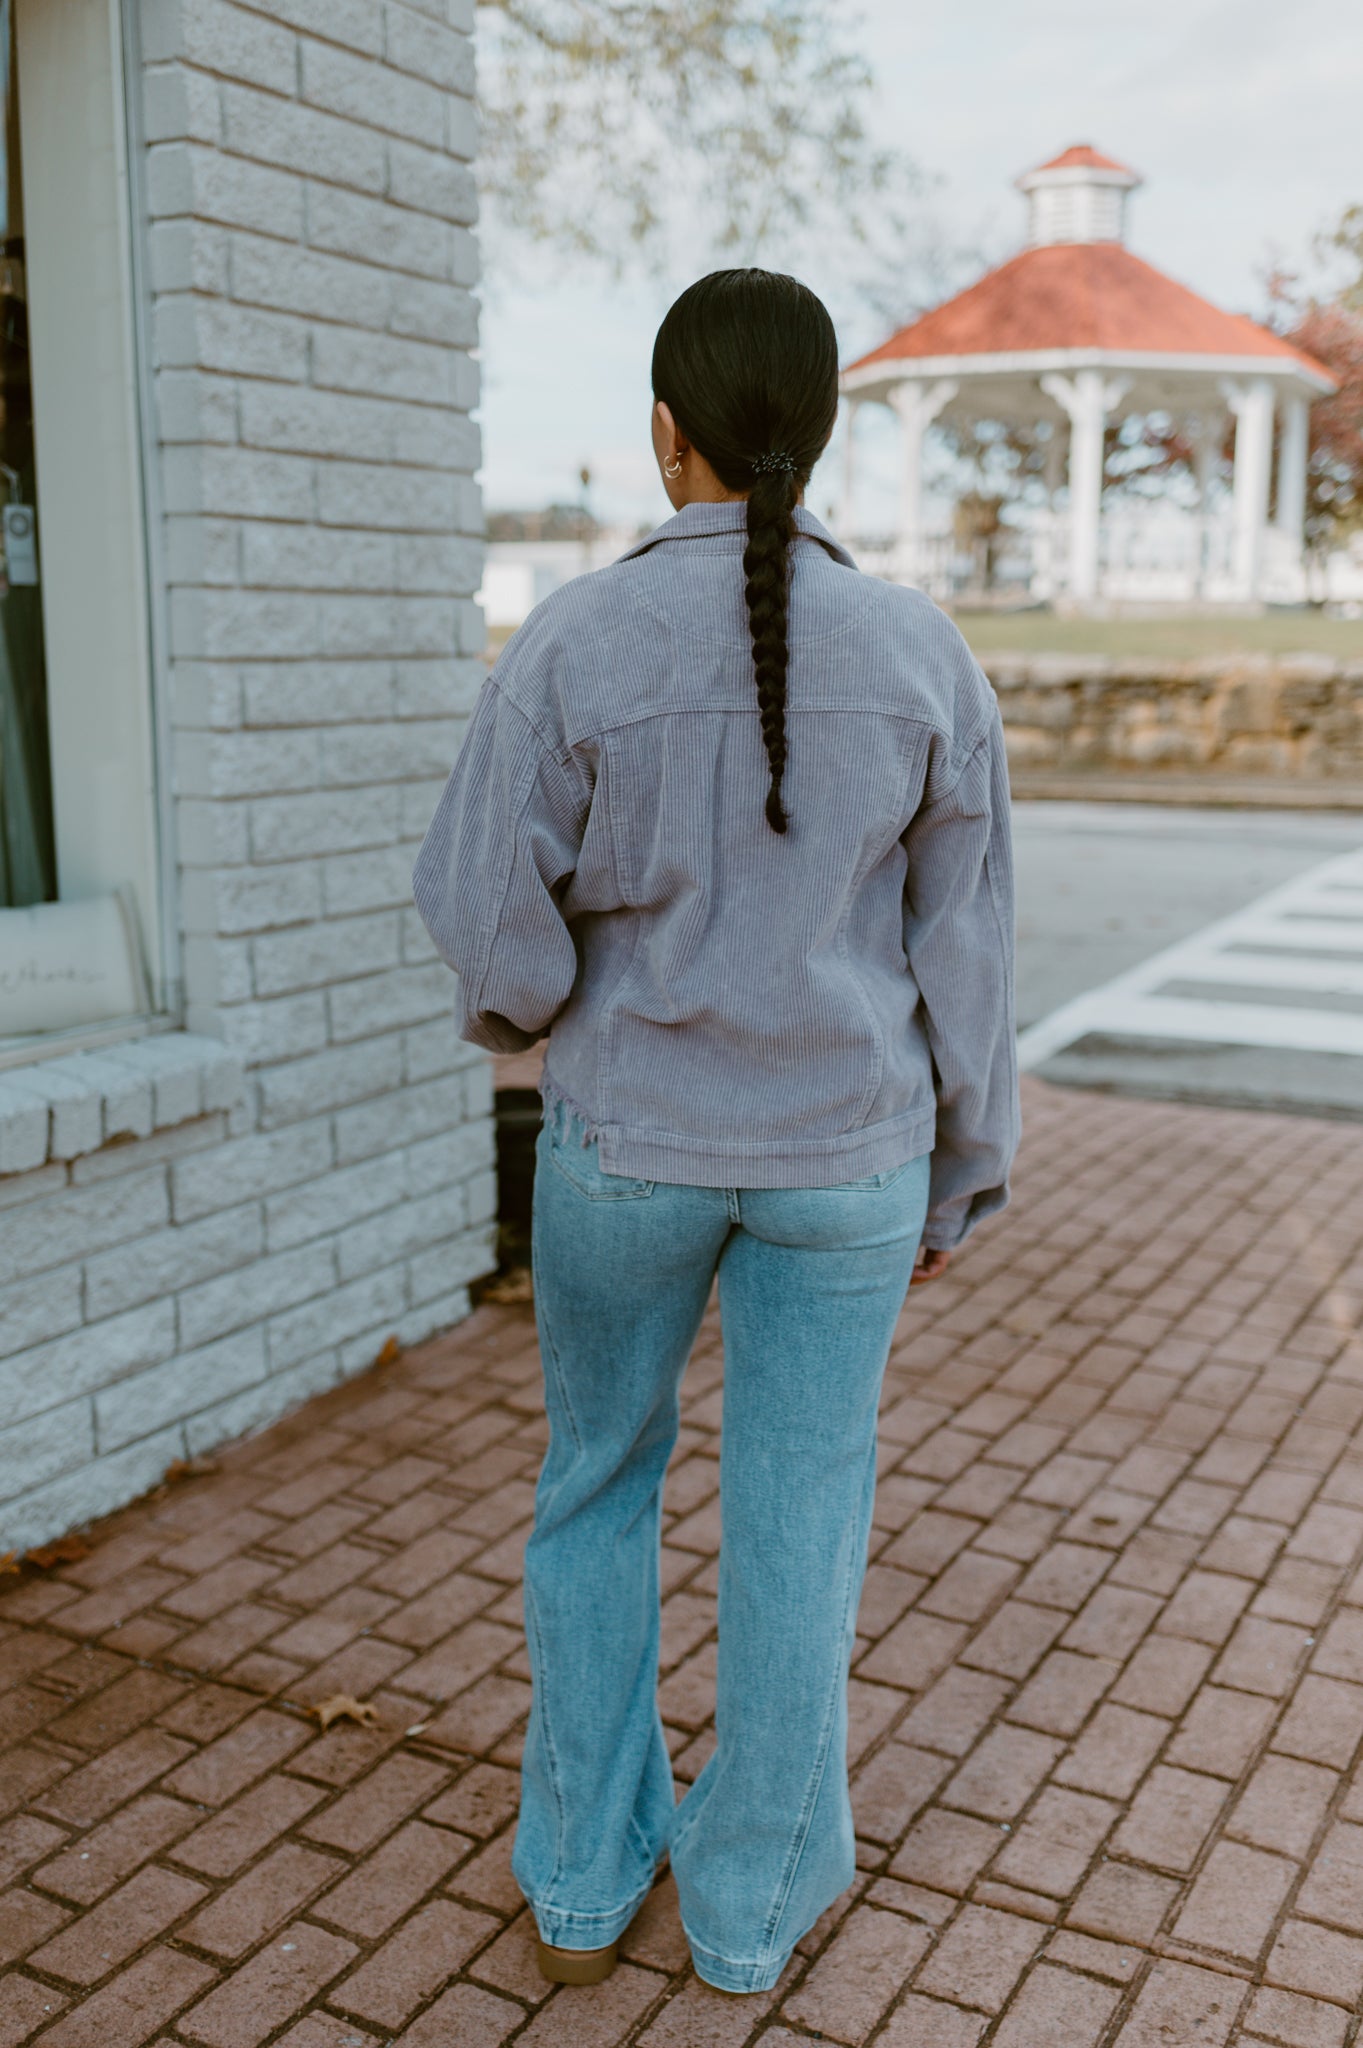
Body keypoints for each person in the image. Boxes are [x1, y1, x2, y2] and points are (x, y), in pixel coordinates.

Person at [413, 268, 1020, 1997]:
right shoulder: (925, 651)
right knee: (803, 1512)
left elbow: (479, 897)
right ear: (812, 442)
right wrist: (970, 1150)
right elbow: (964, 941)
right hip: (851, 1159)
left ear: (665, 434)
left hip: (628, 1145)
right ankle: (750, 1909)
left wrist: (537, 1014)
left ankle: (588, 1883)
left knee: (598, 1485)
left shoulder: (578, 640)